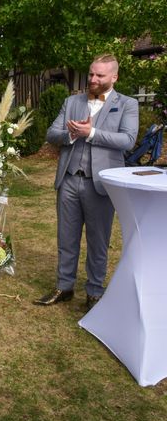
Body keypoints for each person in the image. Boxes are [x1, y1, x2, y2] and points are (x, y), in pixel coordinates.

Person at [34, 54, 139, 310]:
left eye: (99, 75)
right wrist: (71, 133)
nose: (93, 79)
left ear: (114, 77)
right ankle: (64, 286)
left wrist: (91, 133)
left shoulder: (127, 104)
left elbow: (127, 141)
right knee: (66, 238)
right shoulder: (72, 101)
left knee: (98, 241)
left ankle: (94, 293)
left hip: (100, 184)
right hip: (69, 180)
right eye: (91, 74)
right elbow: (51, 133)